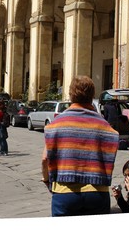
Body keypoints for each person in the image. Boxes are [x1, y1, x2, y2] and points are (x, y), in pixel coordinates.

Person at [40, 75, 119, 216]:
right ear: (92, 95)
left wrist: (47, 179)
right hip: (97, 193)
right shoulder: (105, 126)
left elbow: (45, 158)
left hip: (65, 192)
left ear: (71, 95)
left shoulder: (56, 124)